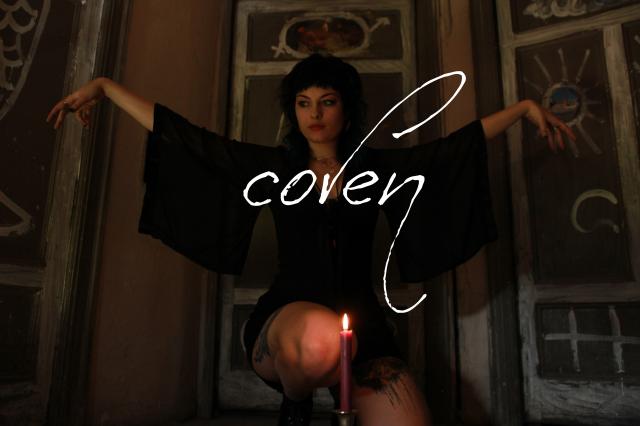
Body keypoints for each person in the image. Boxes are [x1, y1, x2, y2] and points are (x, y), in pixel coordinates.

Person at [47, 54, 575, 426]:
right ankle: (297, 403)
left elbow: (449, 152)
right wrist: (106, 87)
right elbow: (189, 140)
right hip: (287, 328)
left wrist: (523, 109)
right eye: (303, 103)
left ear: (347, 110)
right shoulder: (276, 168)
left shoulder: (376, 170)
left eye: (326, 102)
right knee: (321, 339)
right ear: (293, 110)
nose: (314, 115)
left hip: (363, 328)